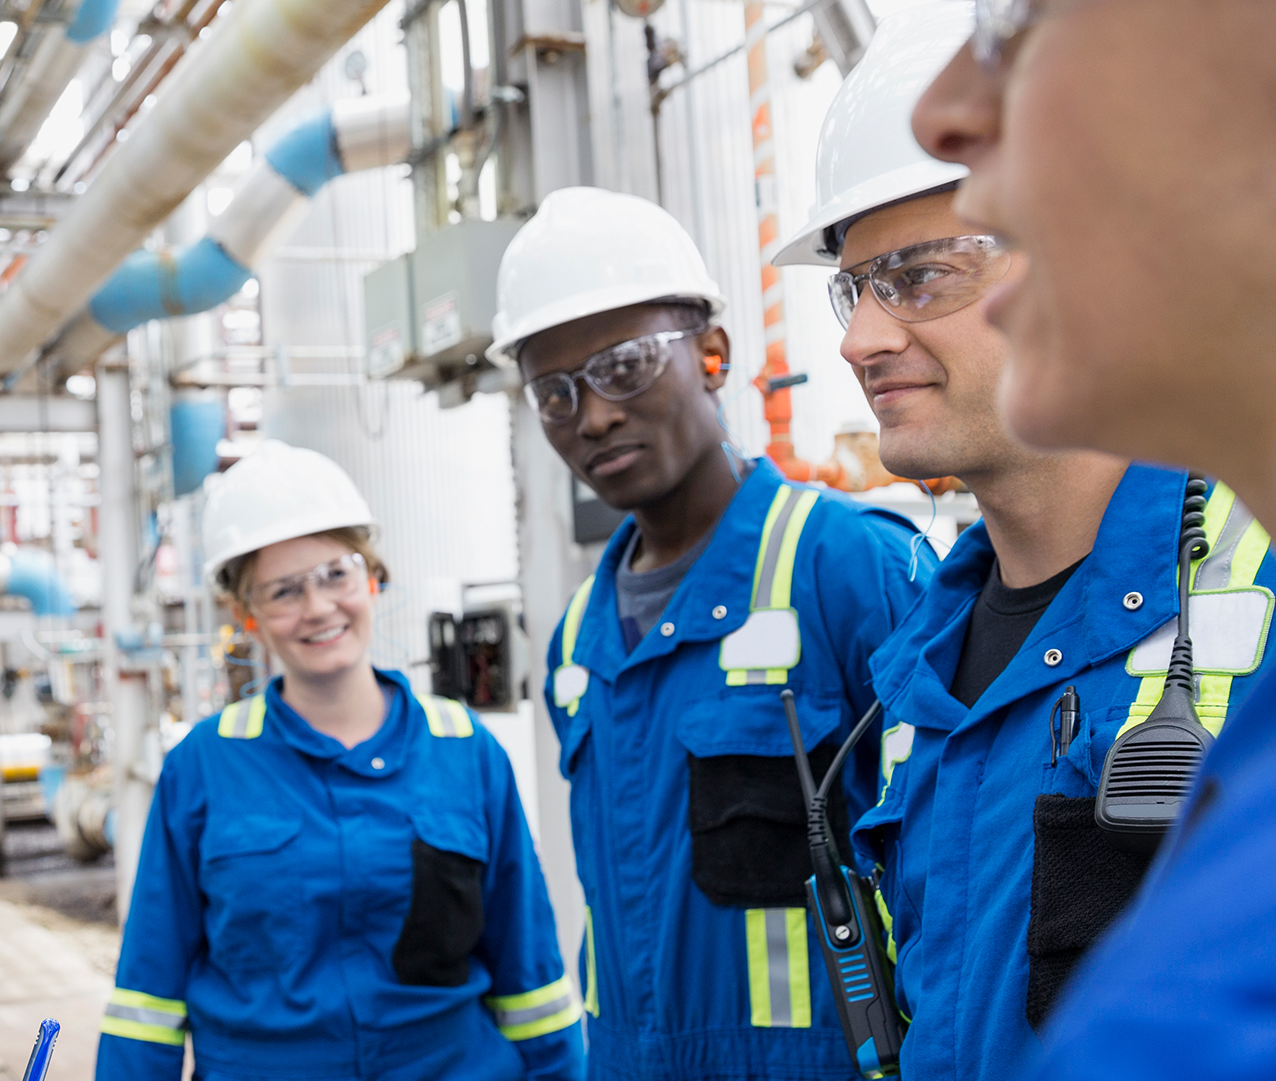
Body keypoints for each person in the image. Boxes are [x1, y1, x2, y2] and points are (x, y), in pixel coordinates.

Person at [770, 4, 1276, 1079]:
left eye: (916, 277)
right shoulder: (912, 671)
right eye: (852, 290)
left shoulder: (1251, 584)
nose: (861, 339)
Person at [490, 187, 926, 1080]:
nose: (593, 416)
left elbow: (951, 881)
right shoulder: (579, 641)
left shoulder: (848, 568)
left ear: (714, 355)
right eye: (555, 392)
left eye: (625, 366)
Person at [96, 440, 583, 1081]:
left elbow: (530, 971)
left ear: (373, 578)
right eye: (283, 591)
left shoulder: (465, 752)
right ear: (247, 616)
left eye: (337, 574)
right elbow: (149, 990)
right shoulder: (204, 767)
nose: (319, 608)